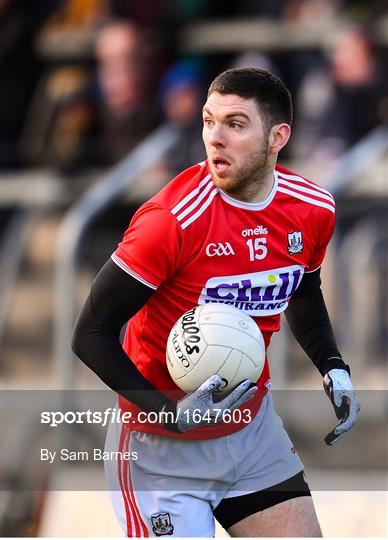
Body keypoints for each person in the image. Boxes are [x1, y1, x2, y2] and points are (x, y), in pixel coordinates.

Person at [72, 67, 361, 537]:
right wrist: (169, 413)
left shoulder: (312, 208)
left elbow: (302, 288)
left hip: (252, 435)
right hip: (160, 449)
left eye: (236, 124)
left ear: (277, 137)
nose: (215, 138)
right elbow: (90, 334)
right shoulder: (171, 220)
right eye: (208, 121)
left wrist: (333, 365)